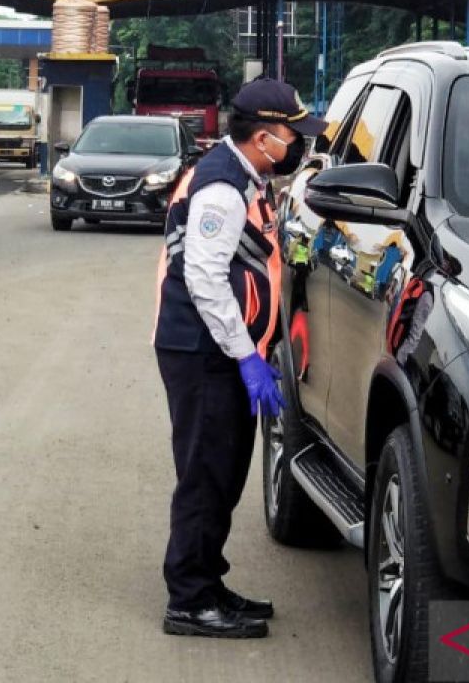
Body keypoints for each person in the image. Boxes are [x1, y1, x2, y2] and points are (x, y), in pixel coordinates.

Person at [153, 78, 327, 639]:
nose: (298, 146)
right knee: (206, 476)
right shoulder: (221, 189)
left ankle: (209, 581)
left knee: (224, 473)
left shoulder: (246, 178)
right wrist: (245, 356)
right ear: (263, 137)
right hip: (203, 350)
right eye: (292, 136)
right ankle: (190, 599)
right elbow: (203, 279)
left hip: (219, 350)